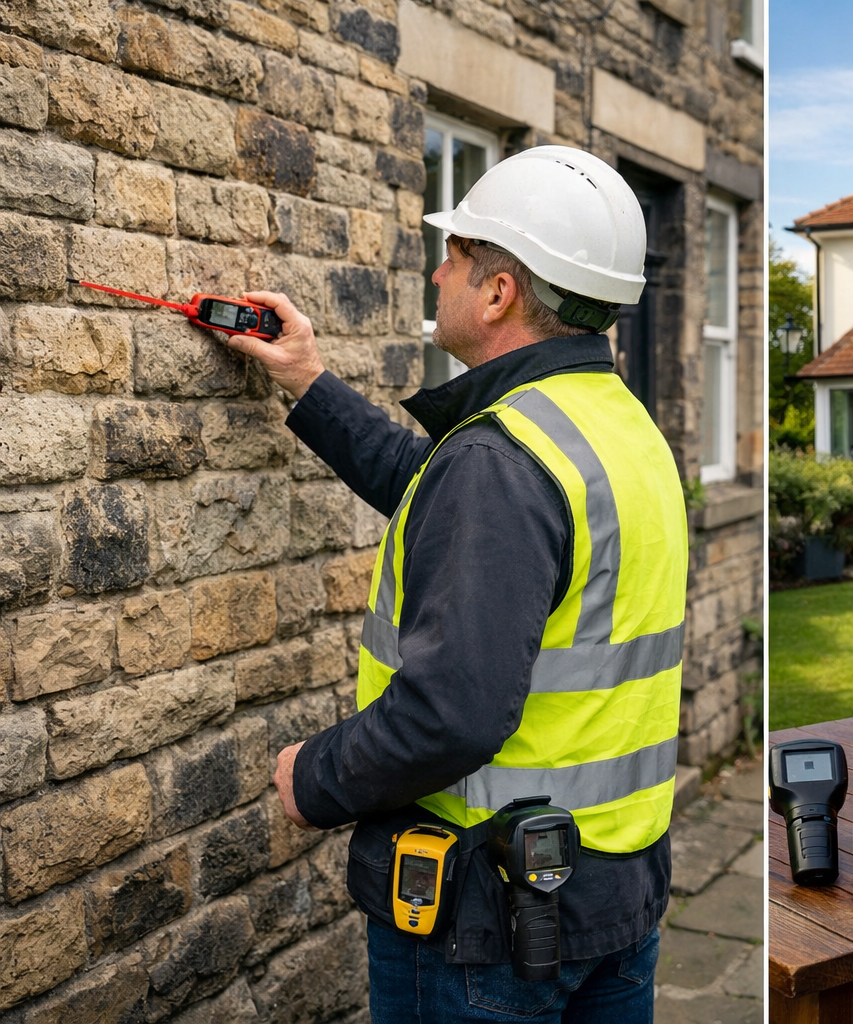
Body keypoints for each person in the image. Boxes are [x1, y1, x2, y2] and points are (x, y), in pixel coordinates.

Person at [223, 146, 688, 1023]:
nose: (437, 273)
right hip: (612, 901)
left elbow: (452, 714)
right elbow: (443, 495)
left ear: (498, 292)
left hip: (489, 924)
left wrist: (313, 778)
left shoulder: (501, 457)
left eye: (455, 255)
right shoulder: (617, 426)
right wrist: (308, 381)